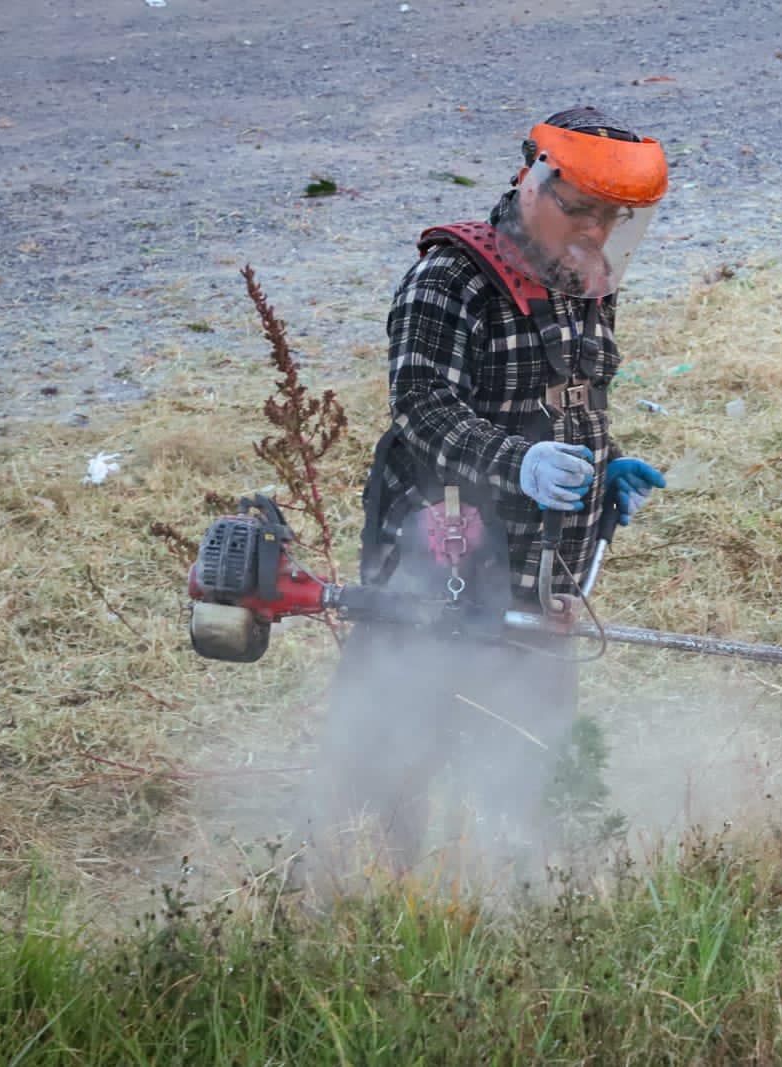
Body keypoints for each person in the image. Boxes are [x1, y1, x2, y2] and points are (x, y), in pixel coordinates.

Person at [303, 107, 669, 888]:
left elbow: (578, 402)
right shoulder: (449, 279)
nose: (595, 232)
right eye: (577, 207)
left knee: (533, 746)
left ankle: (523, 893)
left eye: (612, 217)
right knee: (399, 738)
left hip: (545, 568)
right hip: (443, 551)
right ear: (529, 177)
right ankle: (365, 890)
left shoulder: (585, 283)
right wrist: (521, 462)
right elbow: (422, 407)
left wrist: (602, 477)